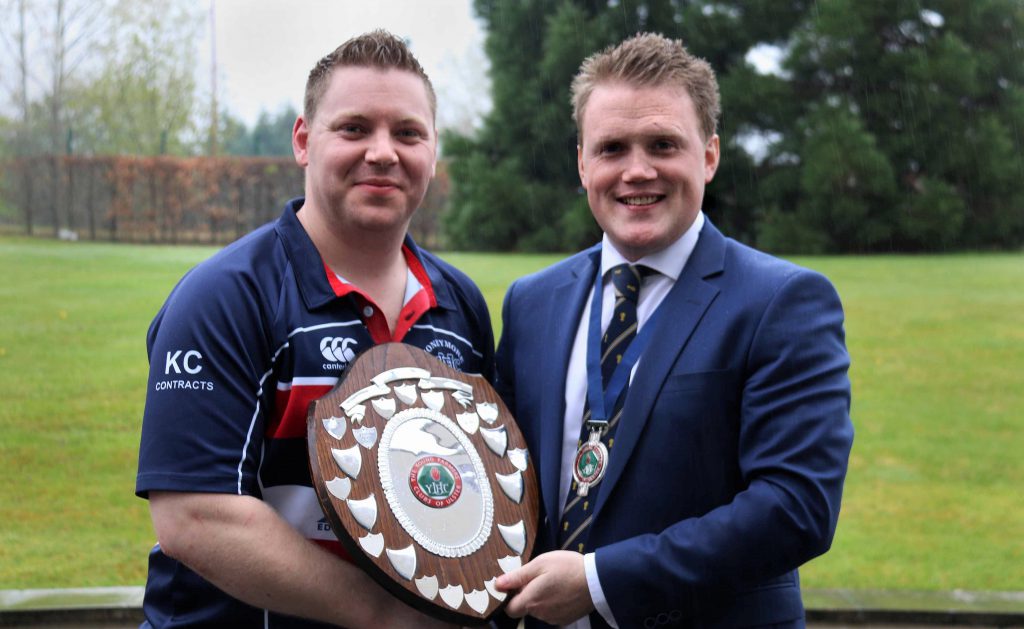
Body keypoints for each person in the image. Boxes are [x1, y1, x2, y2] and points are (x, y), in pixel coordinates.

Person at [492, 33, 853, 628]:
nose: (637, 171)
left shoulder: (781, 302)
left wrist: (599, 581)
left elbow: (796, 508)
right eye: (612, 148)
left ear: (709, 155)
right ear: (582, 162)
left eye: (663, 144)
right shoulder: (533, 302)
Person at [135, 30, 493, 628]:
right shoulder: (225, 295)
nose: (383, 152)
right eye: (354, 129)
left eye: (408, 132)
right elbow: (194, 518)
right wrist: (389, 616)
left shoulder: (460, 306)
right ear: (304, 141)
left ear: (433, 150)